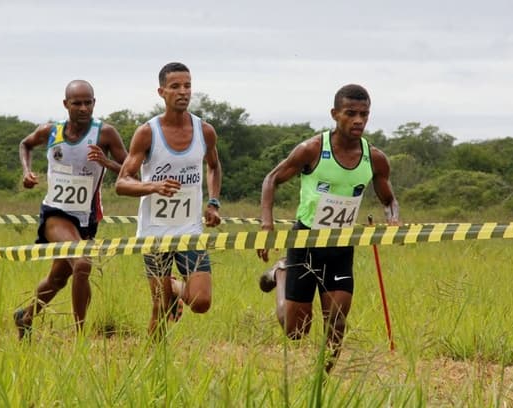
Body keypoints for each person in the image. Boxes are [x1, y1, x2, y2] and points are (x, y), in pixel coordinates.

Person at [256, 84, 400, 371]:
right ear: (335, 114)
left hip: (340, 246)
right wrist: (266, 223)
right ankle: (281, 272)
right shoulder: (311, 149)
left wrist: (393, 217)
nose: (358, 120)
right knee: (296, 330)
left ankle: (325, 378)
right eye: (351, 113)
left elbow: (389, 199)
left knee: (336, 320)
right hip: (306, 242)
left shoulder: (375, 158)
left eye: (364, 114)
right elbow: (271, 179)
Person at [115, 62, 222, 339]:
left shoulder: (205, 131)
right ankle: (152, 363)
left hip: (189, 231)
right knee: (160, 307)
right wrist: (153, 186)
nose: (183, 91)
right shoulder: (147, 132)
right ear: (162, 92)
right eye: (175, 86)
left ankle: (175, 286)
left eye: (187, 86)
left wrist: (214, 202)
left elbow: (213, 166)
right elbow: (122, 182)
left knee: (200, 302)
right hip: (155, 232)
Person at [14, 79, 127, 340]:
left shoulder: (105, 134)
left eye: (88, 102)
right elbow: (25, 144)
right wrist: (27, 172)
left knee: (59, 278)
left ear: (94, 103)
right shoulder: (51, 131)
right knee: (83, 264)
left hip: (86, 218)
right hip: (55, 213)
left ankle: (26, 316)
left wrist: (106, 162)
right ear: (66, 104)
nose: (84, 108)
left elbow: (130, 171)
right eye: (77, 103)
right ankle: (81, 338)